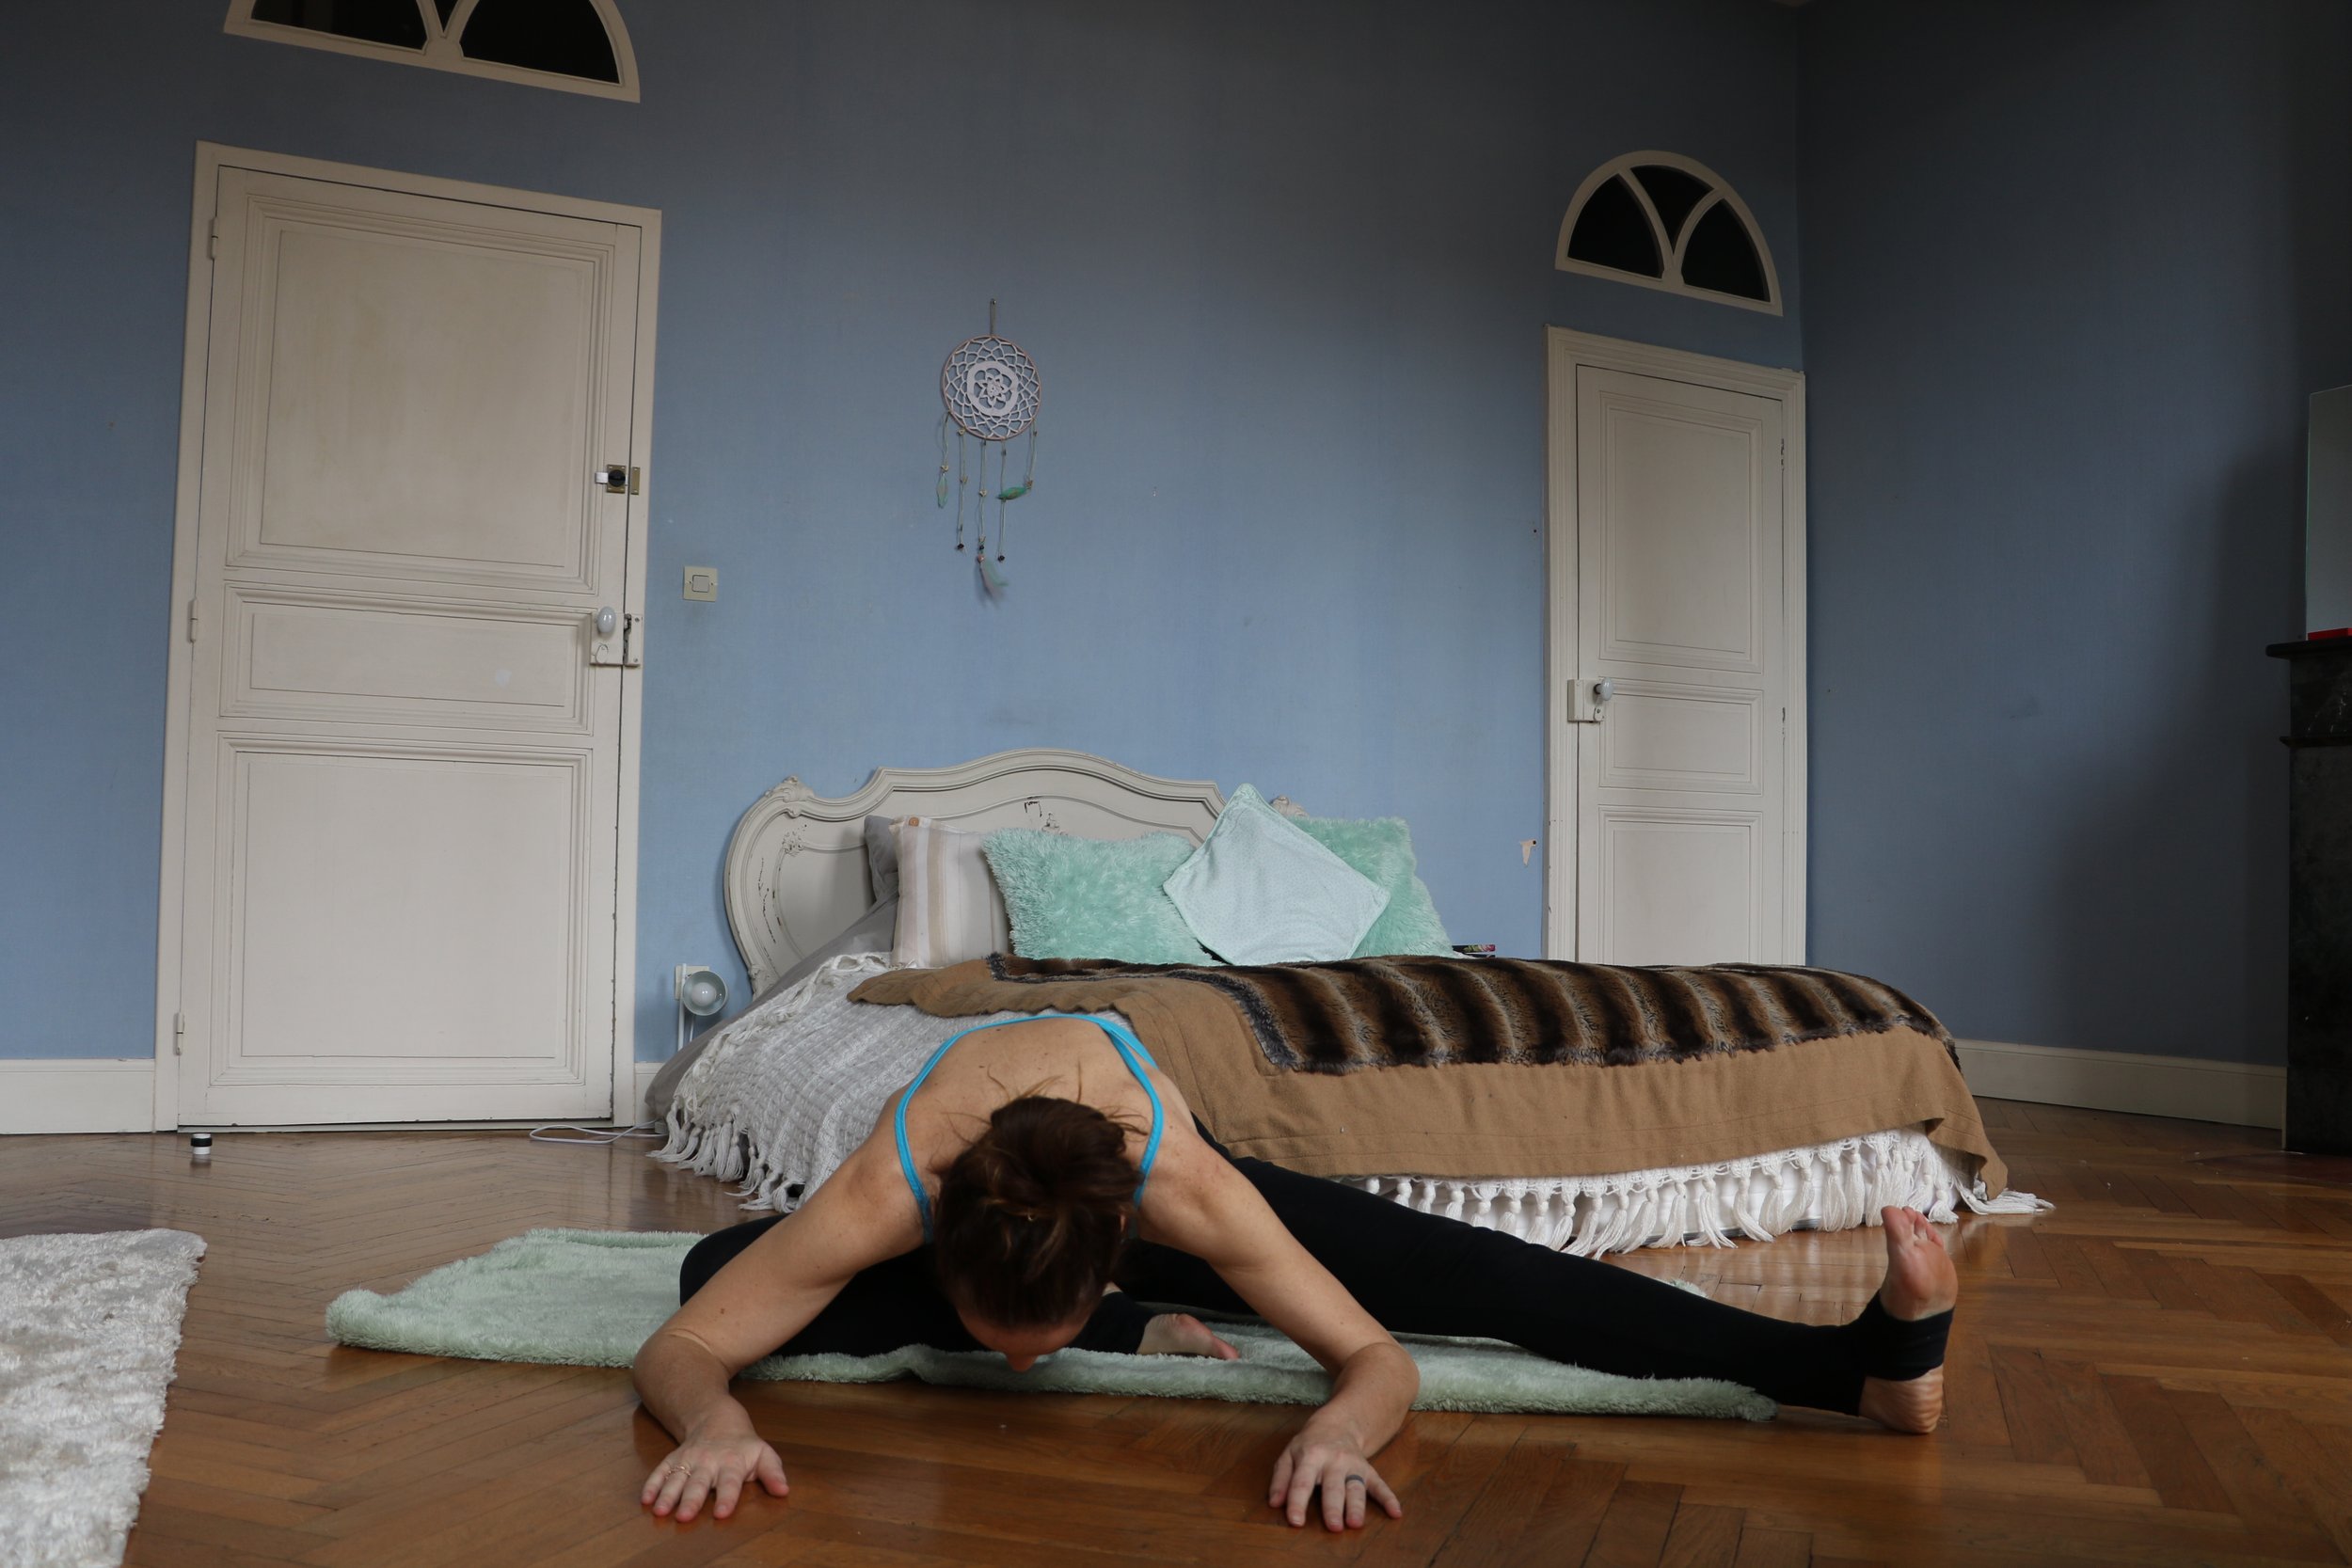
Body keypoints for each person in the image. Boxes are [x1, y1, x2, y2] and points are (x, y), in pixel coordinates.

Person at [633, 1014, 1957, 1531]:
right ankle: (1130, 1325)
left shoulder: (1190, 1193)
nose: (1020, 1370)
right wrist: (715, 1420)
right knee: (713, 1267)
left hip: (1144, 1185)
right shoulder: (890, 1192)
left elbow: (1375, 1355)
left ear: (1120, 1255)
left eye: (1045, 1336)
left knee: (1484, 1277)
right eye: (1001, 1339)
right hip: (986, 1209)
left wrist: (1337, 1424)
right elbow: (681, 1349)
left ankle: (1859, 1369)